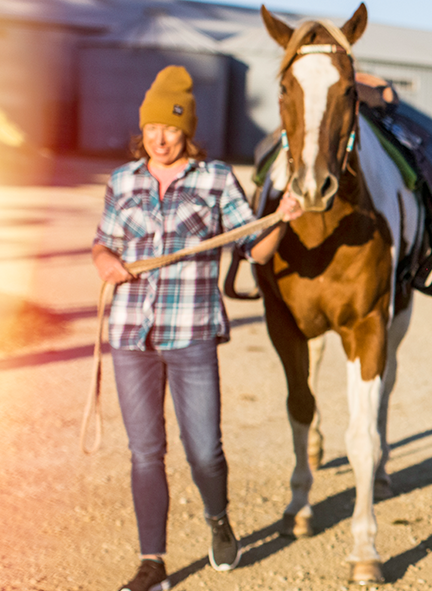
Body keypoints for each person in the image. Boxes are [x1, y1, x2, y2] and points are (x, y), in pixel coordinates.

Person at [91, 66, 303, 591]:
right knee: (145, 452)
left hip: (192, 333)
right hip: (131, 336)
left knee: (204, 450)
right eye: (152, 128)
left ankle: (218, 519)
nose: (160, 139)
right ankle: (153, 563)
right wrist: (104, 261)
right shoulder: (123, 181)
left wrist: (280, 219)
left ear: (188, 131)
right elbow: (103, 242)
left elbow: (254, 250)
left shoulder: (215, 180)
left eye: (171, 128)